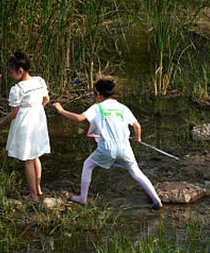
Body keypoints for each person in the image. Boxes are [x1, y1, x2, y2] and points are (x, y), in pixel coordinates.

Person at [52, 78, 162, 209]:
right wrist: (137, 138)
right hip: (124, 147)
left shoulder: (97, 108)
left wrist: (61, 110)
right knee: (136, 173)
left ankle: (82, 198)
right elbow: (137, 126)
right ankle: (157, 201)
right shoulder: (122, 108)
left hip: (107, 148)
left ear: (98, 93)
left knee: (87, 165)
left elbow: (79, 118)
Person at [0, 52, 50, 202]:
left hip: (26, 123)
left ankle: (33, 196)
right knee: (35, 155)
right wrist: (36, 108)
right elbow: (46, 99)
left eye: (11, 72)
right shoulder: (40, 81)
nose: (10, 75)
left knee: (28, 159)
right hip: (39, 119)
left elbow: (13, 113)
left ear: (20, 71)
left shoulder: (18, 89)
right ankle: (38, 189)